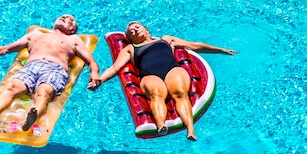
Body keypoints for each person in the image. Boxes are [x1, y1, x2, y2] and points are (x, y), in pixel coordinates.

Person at [88, 21, 237, 141]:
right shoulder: (130, 49)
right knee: (156, 94)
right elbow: (114, 68)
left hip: (172, 69)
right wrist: (99, 80)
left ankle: (190, 130)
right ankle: (161, 125)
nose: (134, 30)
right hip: (149, 75)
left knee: (179, 92)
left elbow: (195, 45)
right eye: (131, 31)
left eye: (137, 27)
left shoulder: (166, 39)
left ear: (147, 30)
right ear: (130, 38)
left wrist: (221, 50)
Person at [0, 14, 101, 131]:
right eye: (63, 16)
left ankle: (32, 117)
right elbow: (6, 49)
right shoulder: (35, 35)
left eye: (70, 19)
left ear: (72, 30)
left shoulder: (73, 39)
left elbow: (91, 62)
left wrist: (94, 73)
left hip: (55, 69)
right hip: (30, 67)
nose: (65, 17)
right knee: (11, 87)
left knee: (43, 92)